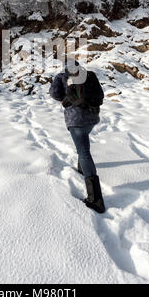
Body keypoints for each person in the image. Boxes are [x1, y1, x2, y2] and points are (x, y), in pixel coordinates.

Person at [49, 60, 106, 214]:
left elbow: (54, 93)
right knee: (83, 145)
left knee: (84, 152)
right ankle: (82, 167)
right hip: (92, 118)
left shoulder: (62, 77)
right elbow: (100, 94)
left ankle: (96, 200)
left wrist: (62, 91)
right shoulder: (89, 75)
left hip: (76, 121)